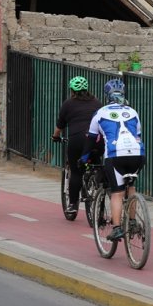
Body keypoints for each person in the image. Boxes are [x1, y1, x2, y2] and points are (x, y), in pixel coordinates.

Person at [80, 78, 145, 241]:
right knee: (131, 187)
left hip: (116, 155)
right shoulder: (133, 111)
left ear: (106, 95)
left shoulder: (100, 113)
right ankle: (131, 221)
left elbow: (91, 139)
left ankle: (116, 228)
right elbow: (137, 135)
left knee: (117, 192)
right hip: (138, 154)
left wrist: (84, 158)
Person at [51, 76, 103, 213]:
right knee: (96, 163)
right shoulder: (97, 103)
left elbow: (59, 126)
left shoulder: (68, 104)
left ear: (72, 90)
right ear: (87, 89)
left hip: (77, 140)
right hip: (97, 140)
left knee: (76, 172)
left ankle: (73, 205)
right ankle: (97, 188)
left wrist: (55, 137)